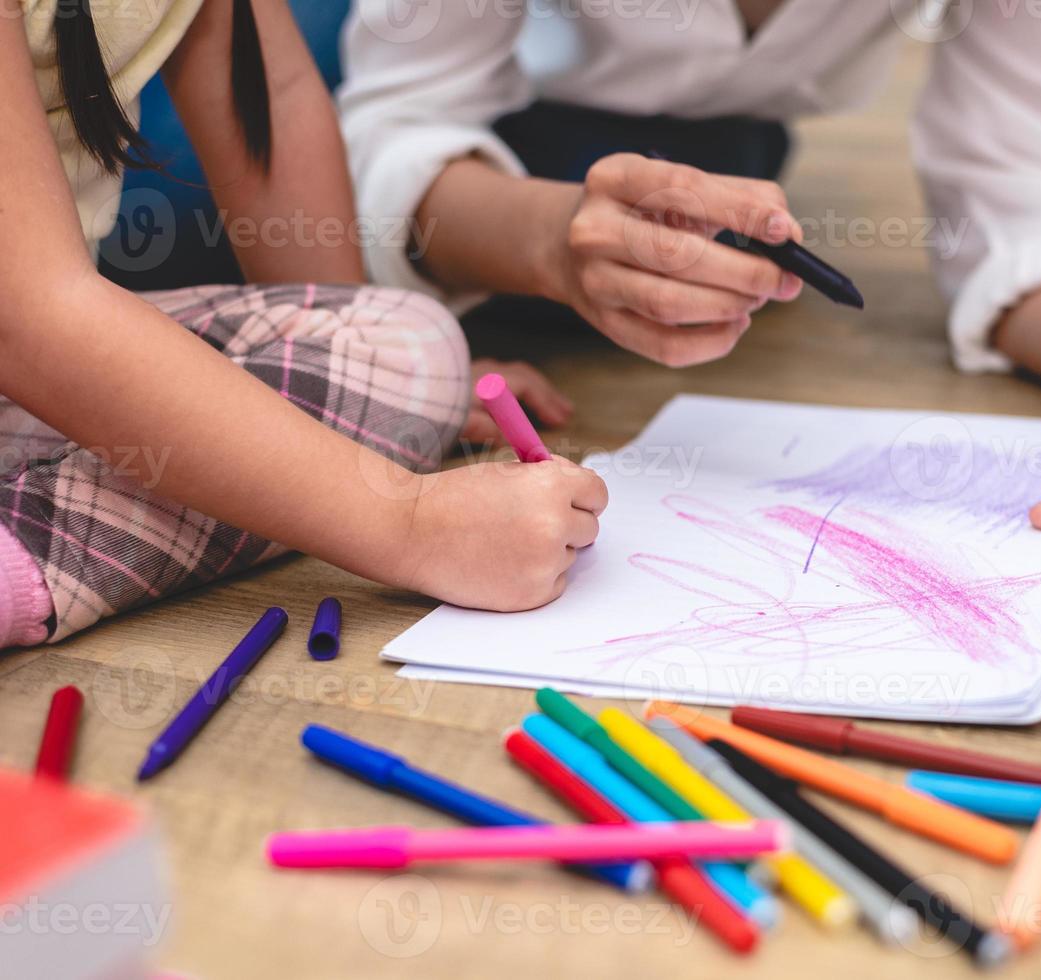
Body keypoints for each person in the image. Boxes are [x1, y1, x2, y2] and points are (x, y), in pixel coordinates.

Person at [337, 0, 1041, 569]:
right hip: (355, 107)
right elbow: (390, 131)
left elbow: (1019, 195)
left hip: (733, 150)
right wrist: (544, 239)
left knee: (745, 162)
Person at [0, 0, 606, 650]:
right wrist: (408, 524)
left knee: (406, 348)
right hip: (28, 324)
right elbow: (30, 315)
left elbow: (272, 100)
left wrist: (358, 366)